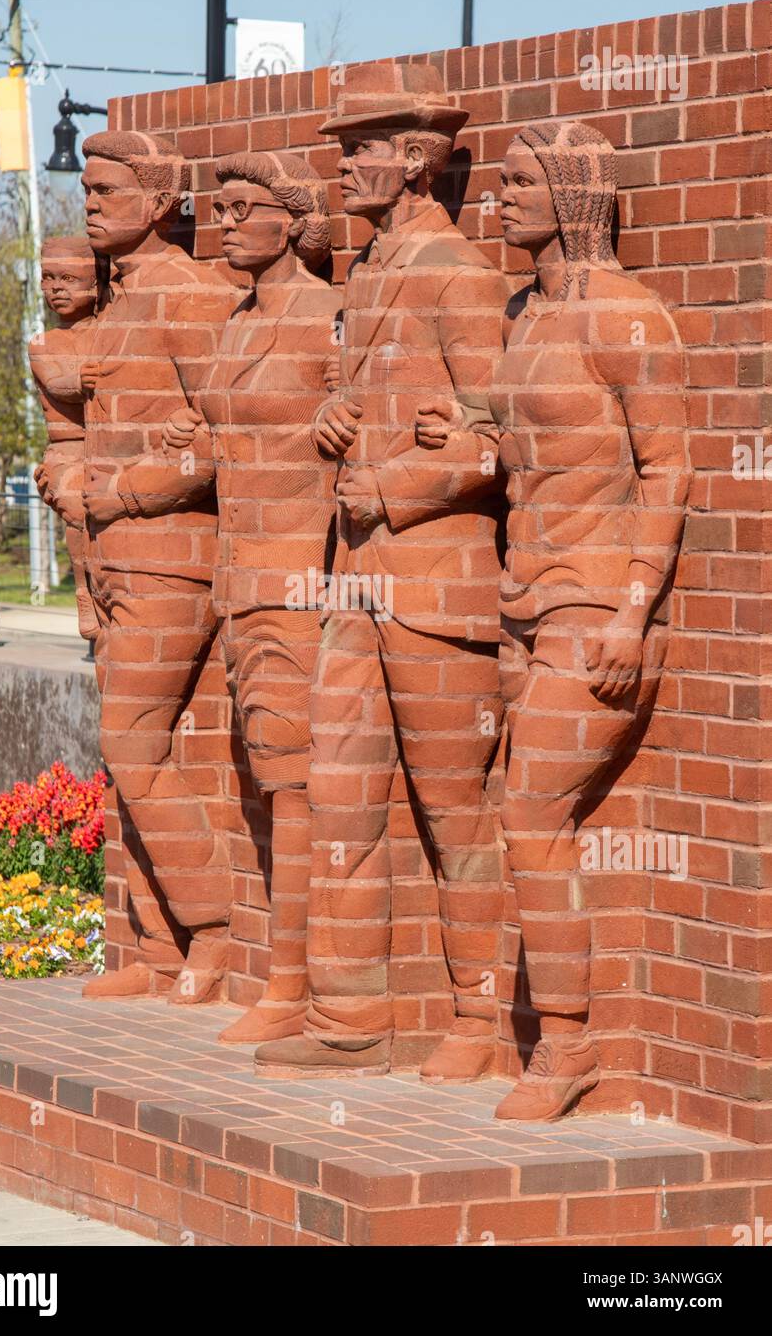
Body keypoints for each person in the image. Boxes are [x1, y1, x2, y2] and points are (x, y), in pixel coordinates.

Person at [256, 63, 509, 1083]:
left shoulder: (457, 273)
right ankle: (350, 1016)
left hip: (434, 585)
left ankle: (479, 1016)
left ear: (410, 158)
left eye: (355, 148)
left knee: (456, 814)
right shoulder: (366, 277)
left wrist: (398, 484)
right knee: (340, 792)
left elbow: (501, 436)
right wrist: (336, 430)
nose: (341, 167)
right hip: (350, 583)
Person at [485, 120, 692, 1120]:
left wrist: (631, 607)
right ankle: (519, 1028)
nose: (498, 198)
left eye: (519, 182)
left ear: (571, 194)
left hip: (594, 607)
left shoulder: (626, 315)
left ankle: (564, 1048)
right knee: (515, 815)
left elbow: (668, 469)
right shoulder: (520, 313)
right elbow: (511, 446)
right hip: (517, 601)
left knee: (532, 813)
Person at [163, 149, 340, 1043]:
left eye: (241, 208)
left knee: (297, 779)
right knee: (273, 780)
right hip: (240, 579)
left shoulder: (328, 317)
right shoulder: (236, 323)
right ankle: (280, 972)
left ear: (290, 219)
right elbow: (230, 428)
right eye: (218, 209)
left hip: (300, 578)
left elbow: (363, 416)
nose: (224, 223)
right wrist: (196, 430)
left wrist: (342, 422)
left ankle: (295, 988)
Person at [77, 130, 240, 1005]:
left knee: (131, 743)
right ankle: (154, 942)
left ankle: (211, 928)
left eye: (107, 189)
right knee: (131, 749)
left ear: (159, 201)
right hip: (116, 562)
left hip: (171, 563)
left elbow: (224, 437)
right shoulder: (123, 299)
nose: (90, 202)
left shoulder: (190, 297)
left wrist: (127, 493)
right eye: (86, 189)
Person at [29, 235, 104, 642]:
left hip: (105, 446)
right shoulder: (43, 343)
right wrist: (82, 377)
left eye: (69, 279)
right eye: (48, 278)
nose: (56, 288)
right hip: (68, 450)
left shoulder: (108, 331)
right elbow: (62, 384)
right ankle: (83, 589)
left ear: (95, 284)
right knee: (76, 501)